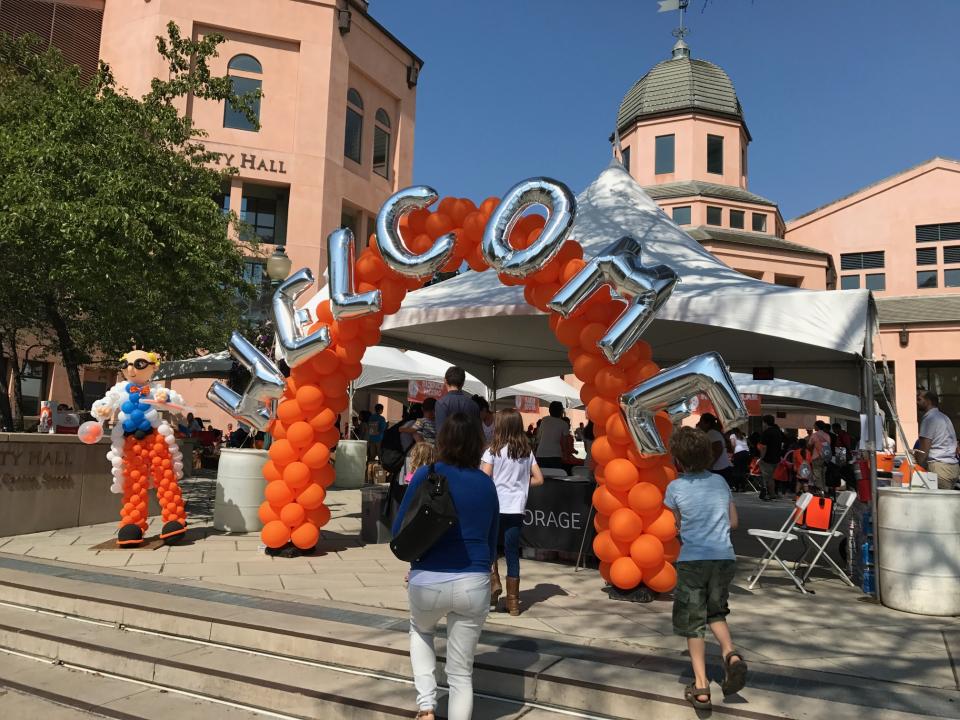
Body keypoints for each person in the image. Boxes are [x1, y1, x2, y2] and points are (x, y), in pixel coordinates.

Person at [392, 413, 499, 720]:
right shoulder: (485, 484)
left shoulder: (427, 474)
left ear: (443, 440)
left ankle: (426, 706)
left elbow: (401, 527)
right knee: (461, 673)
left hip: (428, 577)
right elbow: (492, 544)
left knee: (421, 630)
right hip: (474, 579)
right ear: (478, 443)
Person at [664, 427, 747, 710]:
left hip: (693, 561)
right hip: (724, 558)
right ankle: (731, 654)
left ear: (678, 459)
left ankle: (700, 686)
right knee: (716, 611)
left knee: (693, 622)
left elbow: (677, 524)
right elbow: (733, 522)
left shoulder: (674, 488)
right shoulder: (720, 483)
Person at [481, 408, 544, 615]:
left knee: (489, 547)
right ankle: (514, 602)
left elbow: (484, 478)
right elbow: (539, 479)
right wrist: (519, 484)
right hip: (516, 507)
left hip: (494, 506)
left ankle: (494, 581)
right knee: (511, 552)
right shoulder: (526, 452)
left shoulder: (492, 451)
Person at [915, 390, 960, 489]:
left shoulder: (929, 419)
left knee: (939, 503)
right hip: (952, 467)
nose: (916, 402)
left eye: (919, 399)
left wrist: (915, 459)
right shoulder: (944, 417)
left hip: (939, 468)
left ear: (928, 401)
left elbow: (923, 452)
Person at [435, 366, 479, 434]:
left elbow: (441, 432)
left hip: (449, 444)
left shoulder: (441, 403)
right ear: (463, 383)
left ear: (445, 380)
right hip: (470, 444)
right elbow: (478, 433)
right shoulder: (474, 405)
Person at [696, 413, 734, 490]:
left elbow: (717, 450)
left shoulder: (712, 433)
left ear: (707, 423)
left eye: (701, 421)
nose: (699, 424)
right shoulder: (713, 433)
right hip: (720, 469)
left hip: (719, 470)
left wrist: (709, 466)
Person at [534, 401, 567, 471]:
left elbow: (539, 437)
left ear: (550, 410)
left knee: (543, 477)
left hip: (541, 453)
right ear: (561, 411)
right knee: (555, 478)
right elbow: (564, 443)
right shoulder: (564, 424)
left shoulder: (544, 420)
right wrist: (565, 454)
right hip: (555, 454)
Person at [757, 415, 783, 501]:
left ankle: (766, 494)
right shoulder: (778, 431)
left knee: (766, 477)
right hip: (776, 458)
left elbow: (764, 447)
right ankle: (772, 494)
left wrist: (761, 458)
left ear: (765, 422)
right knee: (771, 477)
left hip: (767, 458)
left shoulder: (766, 432)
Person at [806, 421, 832, 491]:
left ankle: (820, 491)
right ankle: (824, 490)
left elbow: (809, 445)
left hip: (816, 457)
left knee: (817, 475)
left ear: (817, 426)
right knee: (823, 474)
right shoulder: (827, 435)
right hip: (825, 457)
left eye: (814, 425)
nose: (814, 427)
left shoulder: (814, 435)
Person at [729, 428, 750, 492]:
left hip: (738, 453)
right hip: (746, 453)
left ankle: (736, 487)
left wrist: (733, 452)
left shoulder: (732, 435)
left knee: (737, 470)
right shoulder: (743, 436)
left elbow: (733, 445)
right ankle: (743, 487)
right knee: (743, 470)